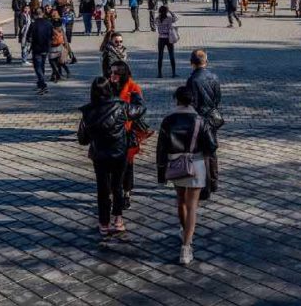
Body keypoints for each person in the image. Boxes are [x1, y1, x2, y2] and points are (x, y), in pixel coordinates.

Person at [157, 85, 218, 265]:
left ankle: (185, 230)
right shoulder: (200, 120)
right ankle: (186, 246)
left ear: (176, 99)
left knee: (181, 201)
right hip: (196, 164)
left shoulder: (168, 120)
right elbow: (212, 146)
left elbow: (161, 149)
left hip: (176, 165)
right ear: (193, 101)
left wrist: (161, 171)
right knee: (192, 206)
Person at [78, 77, 143, 236]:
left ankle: (104, 223)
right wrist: (136, 97)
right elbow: (140, 110)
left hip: (99, 154)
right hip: (119, 153)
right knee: (117, 186)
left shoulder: (88, 111)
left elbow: (83, 139)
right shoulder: (120, 106)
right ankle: (118, 220)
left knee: (102, 188)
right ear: (109, 89)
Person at [108, 60, 152, 210]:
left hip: (126, 132)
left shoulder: (133, 88)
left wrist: (123, 112)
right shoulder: (107, 85)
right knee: (112, 167)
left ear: (123, 74)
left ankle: (126, 193)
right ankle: (114, 194)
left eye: (115, 73)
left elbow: (140, 108)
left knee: (127, 165)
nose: (112, 75)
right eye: (111, 72)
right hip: (110, 133)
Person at [28, 10, 53, 95]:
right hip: (46, 48)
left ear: (35, 15)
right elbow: (52, 35)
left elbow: (28, 37)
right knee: (42, 65)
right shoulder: (48, 23)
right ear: (42, 14)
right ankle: (40, 83)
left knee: (37, 67)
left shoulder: (33, 24)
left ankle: (43, 84)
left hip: (36, 48)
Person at [156, 6, 178, 78]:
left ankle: (159, 73)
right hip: (169, 38)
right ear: (166, 11)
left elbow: (155, 21)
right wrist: (170, 11)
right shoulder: (169, 19)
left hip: (161, 38)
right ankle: (173, 73)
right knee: (171, 55)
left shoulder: (158, 19)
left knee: (160, 56)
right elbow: (176, 18)